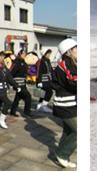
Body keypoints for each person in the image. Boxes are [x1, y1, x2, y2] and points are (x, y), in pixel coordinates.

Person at [51, 38, 77, 168]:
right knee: (78, 131)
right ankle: (62, 153)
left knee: (68, 131)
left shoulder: (72, 63)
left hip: (71, 104)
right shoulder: (64, 65)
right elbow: (72, 81)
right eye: (76, 49)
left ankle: (59, 155)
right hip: (65, 105)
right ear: (68, 52)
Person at [9, 49, 33, 119]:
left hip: (23, 83)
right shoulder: (17, 63)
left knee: (18, 97)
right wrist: (14, 84)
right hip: (18, 84)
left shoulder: (23, 62)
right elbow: (11, 74)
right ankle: (26, 112)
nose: (24, 55)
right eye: (23, 53)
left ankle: (12, 111)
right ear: (19, 55)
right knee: (28, 96)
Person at [36, 49, 55, 113]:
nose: (49, 55)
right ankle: (43, 106)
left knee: (43, 93)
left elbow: (51, 70)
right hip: (43, 80)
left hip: (48, 80)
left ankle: (39, 105)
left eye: (49, 53)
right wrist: (39, 81)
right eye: (48, 53)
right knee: (49, 92)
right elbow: (39, 71)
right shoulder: (41, 61)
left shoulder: (48, 61)